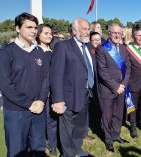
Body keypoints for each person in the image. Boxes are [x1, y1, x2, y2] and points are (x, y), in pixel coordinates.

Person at [0, 12, 49, 157]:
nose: (33, 31)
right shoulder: (6, 53)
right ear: (17, 28)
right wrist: (29, 104)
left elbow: (46, 78)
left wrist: (41, 100)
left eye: (35, 27)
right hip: (16, 113)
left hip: (38, 111)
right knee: (17, 151)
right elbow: (5, 85)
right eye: (29, 27)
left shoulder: (39, 51)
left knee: (39, 149)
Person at [50, 18, 96, 157]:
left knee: (80, 126)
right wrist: (58, 99)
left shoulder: (88, 47)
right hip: (69, 96)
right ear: (75, 31)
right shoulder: (63, 46)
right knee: (67, 128)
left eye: (88, 29)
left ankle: (77, 149)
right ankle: (67, 153)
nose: (87, 32)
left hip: (86, 94)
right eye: (84, 29)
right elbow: (56, 74)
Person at [96, 23, 131, 152]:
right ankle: (108, 140)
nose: (117, 35)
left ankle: (116, 135)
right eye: (114, 32)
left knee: (118, 114)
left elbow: (128, 68)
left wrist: (123, 85)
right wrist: (116, 86)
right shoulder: (102, 49)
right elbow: (102, 71)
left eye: (119, 33)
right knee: (107, 116)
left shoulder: (123, 48)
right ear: (109, 33)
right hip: (108, 89)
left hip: (121, 88)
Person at [36, 24, 58, 156]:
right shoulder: (37, 52)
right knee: (41, 121)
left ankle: (52, 144)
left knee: (52, 121)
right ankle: (41, 145)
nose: (49, 36)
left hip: (54, 92)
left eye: (50, 33)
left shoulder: (53, 51)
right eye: (46, 33)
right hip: (41, 93)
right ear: (38, 35)